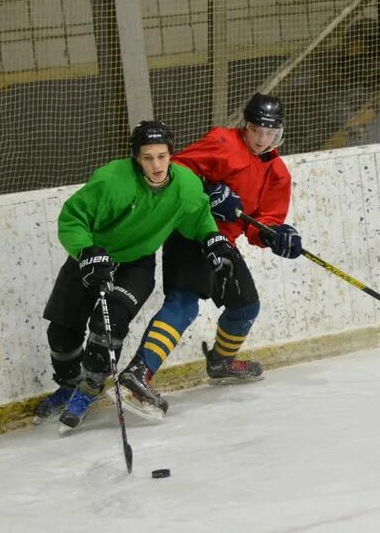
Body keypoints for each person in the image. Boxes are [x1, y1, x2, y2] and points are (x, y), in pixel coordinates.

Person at [35, 120, 235, 432]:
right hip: (93, 257)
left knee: (110, 322)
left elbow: (198, 217)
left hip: (136, 264)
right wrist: (86, 251)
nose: (157, 165)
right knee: (61, 334)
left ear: (171, 154)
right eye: (148, 158)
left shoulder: (186, 184)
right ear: (136, 158)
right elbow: (73, 218)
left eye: (162, 156)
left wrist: (212, 237)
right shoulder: (112, 181)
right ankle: (69, 383)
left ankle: (89, 389)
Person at [113, 93, 303, 417]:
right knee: (184, 303)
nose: (261, 139)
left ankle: (220, 362)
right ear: (246, 126)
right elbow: (175, 172)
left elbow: (261, 224)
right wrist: (208, 189)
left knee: (246, 306)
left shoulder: (278, 174)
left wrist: (277, 237)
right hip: (190, 230)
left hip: (223, 242)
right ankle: (137, 374)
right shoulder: (223, 142)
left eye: (269, 133)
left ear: (279, 133)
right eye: (256, 130)